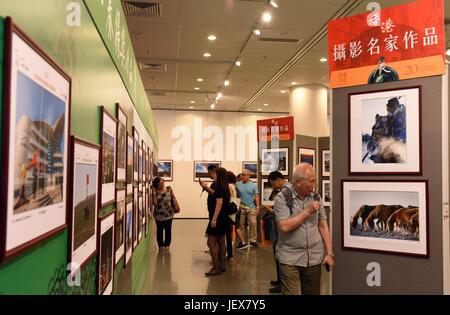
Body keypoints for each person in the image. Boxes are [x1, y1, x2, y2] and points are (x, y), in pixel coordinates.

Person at [274, 163, 334, 295]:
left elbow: (323, 226)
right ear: (299, 182)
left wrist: (329, 253)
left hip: (314, 258)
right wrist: (307, 211)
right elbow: (284, 227)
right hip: (290, 258)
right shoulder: (283, 197)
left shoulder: (316, 197)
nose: (314, 186)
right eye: (312, 182)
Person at [202, 167, 230, 276]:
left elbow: (219, 203)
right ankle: (222, 265)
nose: (213, 175)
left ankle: (216, 267)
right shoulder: (225, 187)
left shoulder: (219, 187)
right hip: (224, 218)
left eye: (215, 173)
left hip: (218, 218)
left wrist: (214, 219)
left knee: (211, 242)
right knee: (221, 242)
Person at [264, 171, 289, 294]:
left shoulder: (286, 192)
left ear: (278, 179)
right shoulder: (286, 190)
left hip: (281, 232)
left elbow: (286, 214)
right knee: (278, 256)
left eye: (273, 184)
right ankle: (280, 281)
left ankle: (282, 284)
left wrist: (272, 211)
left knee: (281, 256)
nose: (273, 187)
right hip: (278, 229)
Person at [152, 177, 180, 252]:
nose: (162, 185)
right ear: (156, 185)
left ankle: (167, 244)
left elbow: (173, 198)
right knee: (159, 231)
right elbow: (155, 204)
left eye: (163, 183)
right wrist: (154, 194)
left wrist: (178, 206)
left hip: (169, 214)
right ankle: (160, 245)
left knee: (168, 230)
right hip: (158, 215)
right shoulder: (155, 192)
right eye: (160, 184)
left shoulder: (169, 189)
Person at [236, 169, 260, 247]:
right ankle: (241, 240)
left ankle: (253, 240)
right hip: (241, 207)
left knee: (253, 223)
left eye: (244, 175)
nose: (242, 176)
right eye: (241, 175)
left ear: (248, 176)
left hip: (251, 207)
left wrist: (257, 207)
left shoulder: (253, 185)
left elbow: (256, 197)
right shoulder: (238, 184)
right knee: (241, 225)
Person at [226, 171, 248, 257]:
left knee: (235, 226)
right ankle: (242, 242)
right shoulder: (236, 187)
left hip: (232, 210)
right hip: (236, 209)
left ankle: (242, 242)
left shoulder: (230, 186)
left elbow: (229, 196)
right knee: (236, 226)